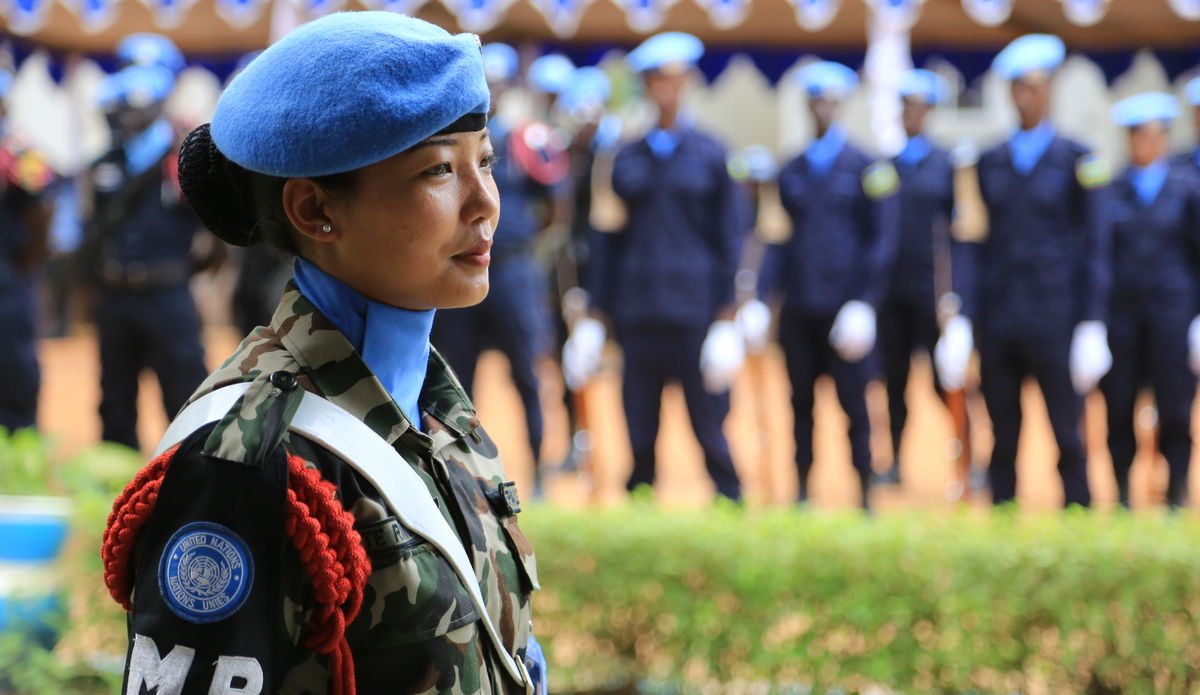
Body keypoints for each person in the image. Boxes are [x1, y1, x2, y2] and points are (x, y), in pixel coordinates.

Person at [101, 13, 543, 694]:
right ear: (313, 210)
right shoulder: (248, 455)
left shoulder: (430, 398)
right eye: (438, 170)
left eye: (484, 161)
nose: (485, 203)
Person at [935, 34, 1111, 508]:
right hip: (1000, 317)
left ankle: (1078, 524)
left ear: (1050, 89)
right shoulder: (987, 162)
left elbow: (1096, 243)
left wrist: (1093, 320)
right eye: (1018, 88)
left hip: (1057, 315)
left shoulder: (1078, 158)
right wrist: (963, 317)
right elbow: (969, 243)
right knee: (1002, 436)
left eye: (1035, 87)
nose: (1026, 97)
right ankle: (1004, 527)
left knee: (1068, 436)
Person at [580, 31, 745, 501]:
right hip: (640, 312)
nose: (664, 89)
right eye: (655, 80)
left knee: (710, 426)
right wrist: (594, 315)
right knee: (638, 427)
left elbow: (731, 238)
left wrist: (729, 315)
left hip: (696, 313)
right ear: (646, 86)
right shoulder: (624, 156)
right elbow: (605, 239)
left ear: (688, 82)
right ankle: (642, 507)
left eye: (673, 80)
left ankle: (731, 502)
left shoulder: (713, 154)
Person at [756, 61, 900, 509]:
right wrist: (761, 299)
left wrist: (865, 303)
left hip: (845, 308)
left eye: (829, 100)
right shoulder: (792, 167)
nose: (822, 107)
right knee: (800, 406)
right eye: (815, 99)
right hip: (800, 308)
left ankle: (864, 494)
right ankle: (801, 490)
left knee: (855, 406)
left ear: (840, 106)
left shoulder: (868, 166)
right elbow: (778, 238)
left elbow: (883, 239)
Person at [431, 42, 568, 498]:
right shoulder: (447, 143)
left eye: (500, 82)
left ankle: (540, 471)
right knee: (456, 379)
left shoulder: (527, 141)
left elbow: (555, 207)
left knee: (528, 374)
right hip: (459, 273)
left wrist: (522, 246)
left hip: (511, 272)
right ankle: (457, 479)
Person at [84, 60, 215, 451]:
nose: (123, 114)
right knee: (115, 398)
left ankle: (191, 483)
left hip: (167, 294)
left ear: (157, 106)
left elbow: (216, 236)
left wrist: (180, 273)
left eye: (133, 105)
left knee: (185, 394)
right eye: (119, 106)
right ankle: (119, 494)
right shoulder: (105, 162)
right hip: (115, 296)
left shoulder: (184, 160)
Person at [1102, 93, 1199, 509]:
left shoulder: (1187, 189)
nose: (1146, 143)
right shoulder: (1112, 189)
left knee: (1175, 404)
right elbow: (1100, 254)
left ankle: (1175, 489)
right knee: (1119, 402)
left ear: (1163, 138)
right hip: (1122, 317)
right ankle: (1123, 490)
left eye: (1153, 135)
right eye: (1138, 136)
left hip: (1171, 314)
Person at [875, 68, 960, 488]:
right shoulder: (885, 167)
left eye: (918, 108)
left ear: (929, 112)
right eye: (905, 107)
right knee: (894, 383)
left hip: (933, 290)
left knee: (947, 379)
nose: (911, 115)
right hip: (893, 292)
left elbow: (961, 233)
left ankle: (967, 456)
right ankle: (893, 460)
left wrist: (957, 295)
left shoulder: (948, 165)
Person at [0, 70, 53, 432]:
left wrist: (25, 265)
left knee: (14, 365)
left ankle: (19, 440)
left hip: (7, 281)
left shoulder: (19, 152)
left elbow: (41, 212)